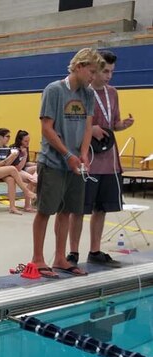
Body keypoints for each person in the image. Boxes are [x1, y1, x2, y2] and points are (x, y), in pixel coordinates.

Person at [29, 48, 103, 279]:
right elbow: (47, 128)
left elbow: (87, 126)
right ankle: (38, 259)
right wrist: (67, 155)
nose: (93, 77)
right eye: (91, 71)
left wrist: (83, 155)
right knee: (45, 210)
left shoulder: (88, 94)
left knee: (68, 210)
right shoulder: (54, 90)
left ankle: (60, 257)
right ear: (79, 66)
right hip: (53, 161)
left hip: (75, 163)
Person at [67, 50, 135, 268]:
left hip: (108, 158)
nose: (108, 76)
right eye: (105, 71)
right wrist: (91, 128)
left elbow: (113, 122)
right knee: (79, 207)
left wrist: (121, 125)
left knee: (101, 208)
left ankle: (95, 250)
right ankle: (73, 252)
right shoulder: (81, 92)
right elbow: (72, 122)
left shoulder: (113, 93)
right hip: (87, 158)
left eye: (112, 72)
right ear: (93, 69)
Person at [0, 127, 36, 215]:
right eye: (7, 136)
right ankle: (26, 191)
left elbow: (6, 165)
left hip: (0, 170)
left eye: (9, 136)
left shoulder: (6, 148)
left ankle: (12, 207)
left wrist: (12, 157)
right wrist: (9, 158)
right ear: (0, 137)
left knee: (11, 179)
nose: (9, 138)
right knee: (12, 169)